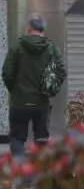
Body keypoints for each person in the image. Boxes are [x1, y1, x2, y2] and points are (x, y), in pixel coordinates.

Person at [1, 14, 66, 156]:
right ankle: (40, 174)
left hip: (19, 102)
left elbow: (7, 73)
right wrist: (50, 90)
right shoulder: (52, 48)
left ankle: (20, 172)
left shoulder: (16, 47)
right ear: (43, 29)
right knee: (41, 140)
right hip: (41, 102)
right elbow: (61, 71)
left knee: (17, 139)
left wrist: (15, 90)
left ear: (29, 28)